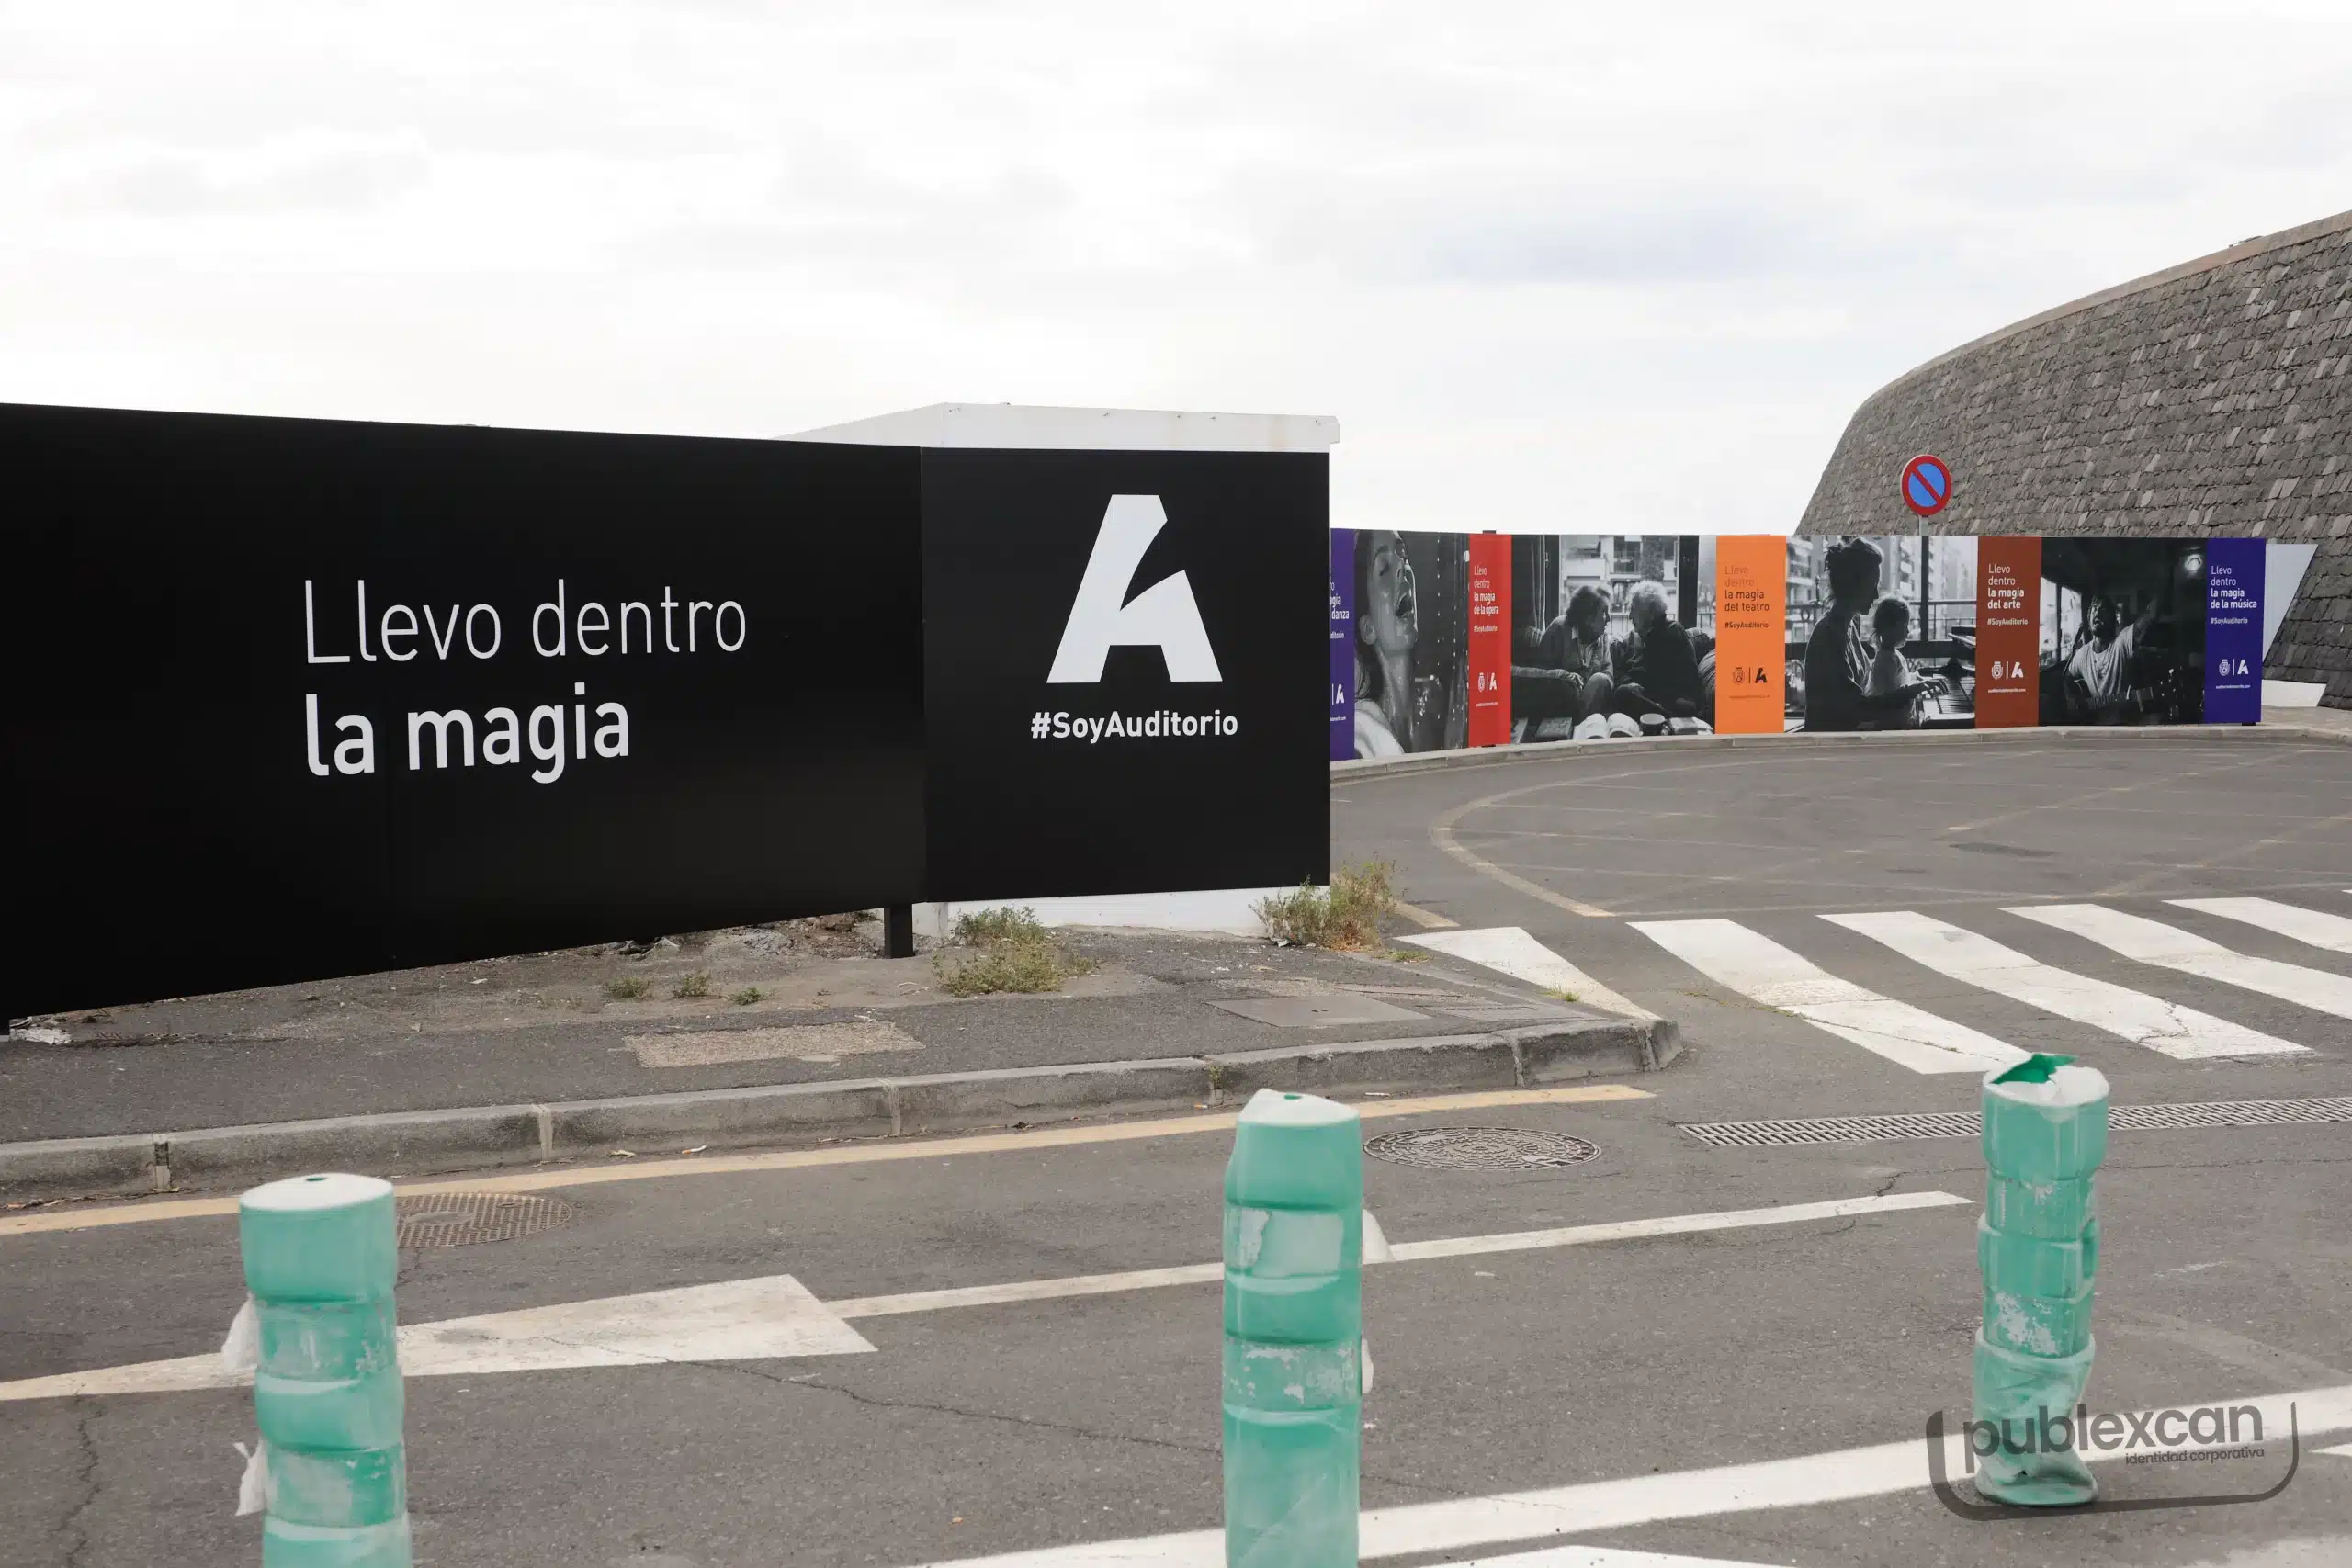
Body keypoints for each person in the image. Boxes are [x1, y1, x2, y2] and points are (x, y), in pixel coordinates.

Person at [1802, 538, 1934, 731]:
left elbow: (1867, 688)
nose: (1876, 595)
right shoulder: (1828, 636)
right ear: (1853, 585)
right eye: (1872, 585)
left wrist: (1912, 680)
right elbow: (1856, 708)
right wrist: (1908, 693)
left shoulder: (1848, 626)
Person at [1511, 584, 1616, 735]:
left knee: (1600, 679)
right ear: (1588, 617)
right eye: (1604, 612)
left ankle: (1581, 730)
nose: (1609, 619)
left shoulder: (1602, 637)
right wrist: (1568, 678)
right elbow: (1543, 673)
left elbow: (1609, 674)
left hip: (1591, 705)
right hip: (1560, 703)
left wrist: (1592, 687)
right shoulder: (1559, 629)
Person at [1608, 581, 1703, 732]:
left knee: (1624, 694)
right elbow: (1629, 670)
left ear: (1651, 613)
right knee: (1623, 692)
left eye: (1633, 610)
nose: (1630, 616)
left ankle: (1663, 721)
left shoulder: (1672, 631)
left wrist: (1636, 684)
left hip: (1676, 701)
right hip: (1655, 698)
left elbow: (1657, 678)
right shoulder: (1644, 636)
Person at [2064, 594, 2161, 722]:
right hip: (2097, 730)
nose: (2097, 611)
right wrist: (2072, 700)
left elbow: (2152, 614)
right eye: (2094, 608)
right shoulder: (2082, 654)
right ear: (2089, 617)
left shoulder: (2122, 642)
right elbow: (2067, 678)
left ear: (2113, 619)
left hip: (2127, 728)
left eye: (2103, 610)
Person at [1865, 596, 1930, 728]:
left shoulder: (1892, 654)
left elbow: (1898, 680)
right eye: (1904, 626)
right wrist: (1918, 686)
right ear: (1890, 628)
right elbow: (1893, 697)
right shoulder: (1885, 660)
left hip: (1899, 721)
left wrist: (1914, 677)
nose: (1908, 631)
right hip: (1891, 726)